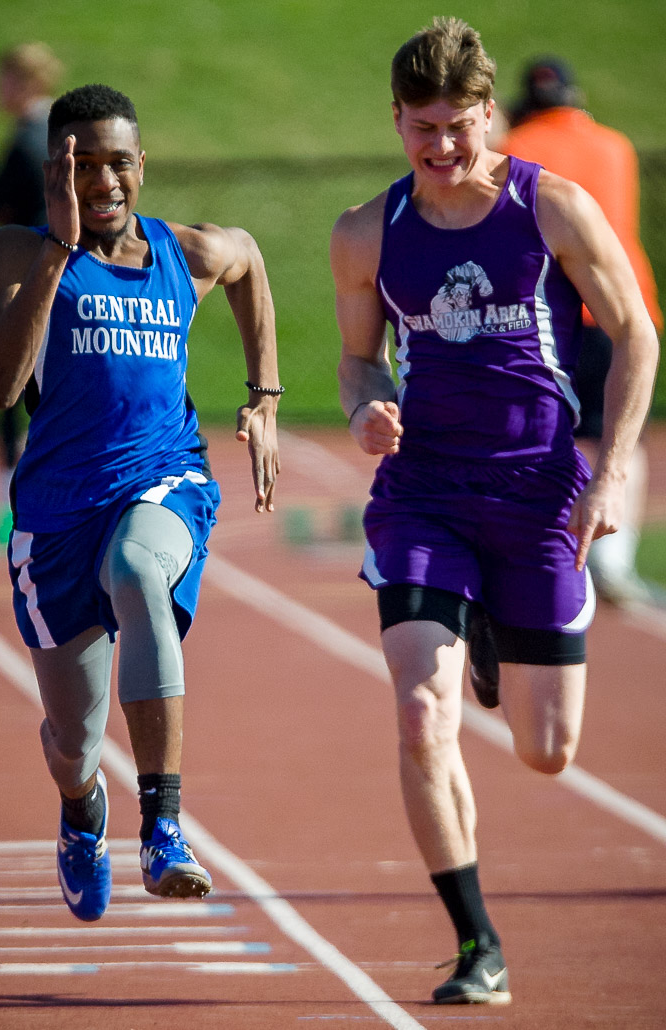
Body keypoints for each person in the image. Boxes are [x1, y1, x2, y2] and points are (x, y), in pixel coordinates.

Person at [330, 17, 658, 1005]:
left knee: (546, 751)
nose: (442, 148)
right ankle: (479, 944)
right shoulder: (366, 231)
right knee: (420, 714)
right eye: (422, 127)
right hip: (425, 493)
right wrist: (362, 409)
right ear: (397, 121)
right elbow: (355, 357)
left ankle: (489, 636)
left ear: (491, 116)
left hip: (539, 492)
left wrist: (610, 478)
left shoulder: (551, 209)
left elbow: (638, 334)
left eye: (459, 126)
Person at [0, 84, 281, 922]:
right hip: (57, 516)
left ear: (141, 166)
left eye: (118, 163)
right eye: (83, 165)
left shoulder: (183, 253)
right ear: (55, 171)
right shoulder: (14, 253)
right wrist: (56, 255)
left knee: (141, 569)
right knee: (74, 742)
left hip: (161, 480)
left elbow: (249, 257)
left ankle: (164, 827)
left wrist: (266, 394)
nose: (103, 181)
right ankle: (82, 811)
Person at [499, 57, 663, 605]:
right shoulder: (614, 145)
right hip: (623, 306)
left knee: (544, 434)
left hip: (554, 313)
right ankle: (613, 561)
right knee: (621, 435)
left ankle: (548, 550)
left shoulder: (513, 146)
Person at [0, 43, 65, 545]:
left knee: (7, 383)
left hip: (27, 278)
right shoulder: (65, 136)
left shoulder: (26, 140)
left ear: (27, 81)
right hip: (74, 276)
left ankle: (13, 507)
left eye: (5, 79)